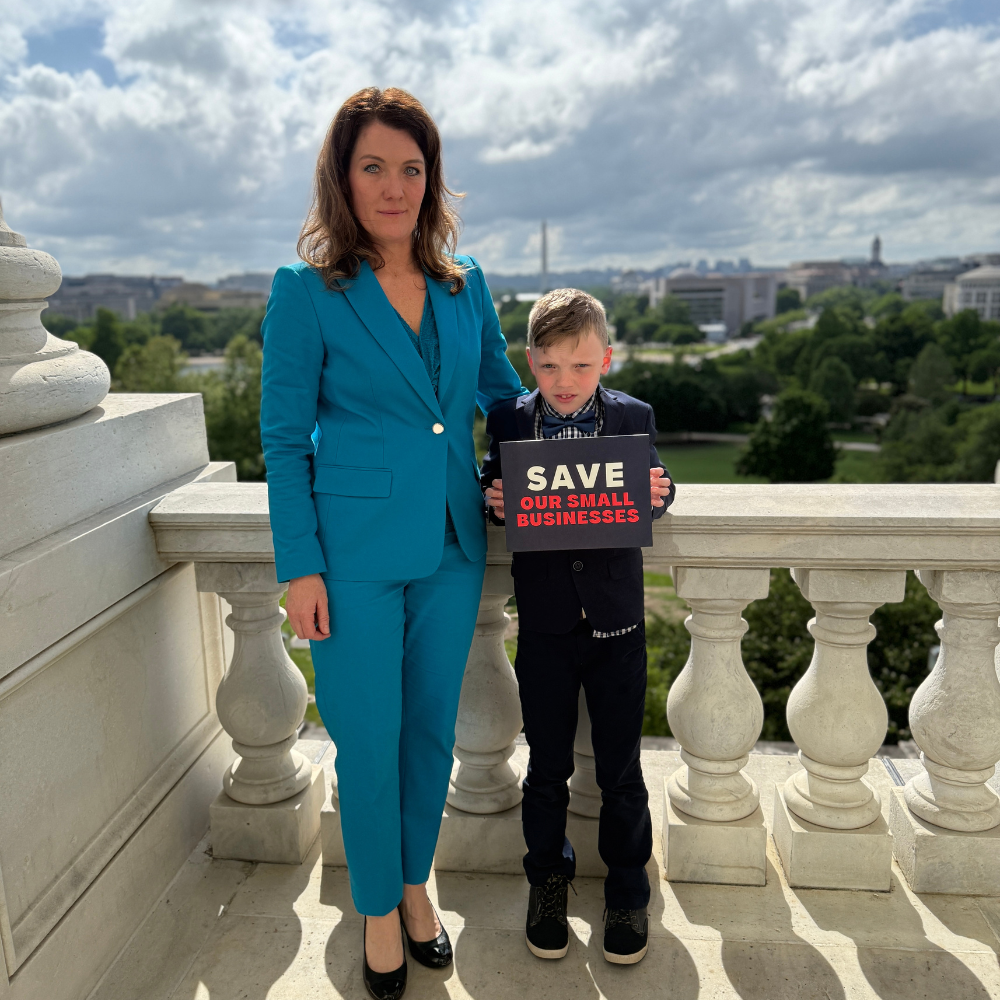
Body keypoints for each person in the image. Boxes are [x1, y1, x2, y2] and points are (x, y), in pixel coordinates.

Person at [260, 86, 525, 1000]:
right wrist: (299, 564)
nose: (394, 185)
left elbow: (505, 403)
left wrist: (601, 442)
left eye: (411, 168)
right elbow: (284, 439)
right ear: (343, 175)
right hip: (353, 558)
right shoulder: (308, 292)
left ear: (431, 179)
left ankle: (418, 887)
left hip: (454, 548)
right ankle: (377, 905)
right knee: (366, 742)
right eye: (373, 166)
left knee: (428, 739)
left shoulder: (465, 284)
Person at [480, 288, 674, 965]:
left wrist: (662, 492)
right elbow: (492, 485)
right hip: (546, 632)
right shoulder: (507, 420)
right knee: (548, 770)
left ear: (607, 361)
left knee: (622, 771)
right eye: (551, 367)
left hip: (618, 626)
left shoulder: (634, 416)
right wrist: (494, 498)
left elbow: (656, 481)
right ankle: (548, 884)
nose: (565, 383)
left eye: (582, 367)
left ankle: (627, 890)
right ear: (530, 360)